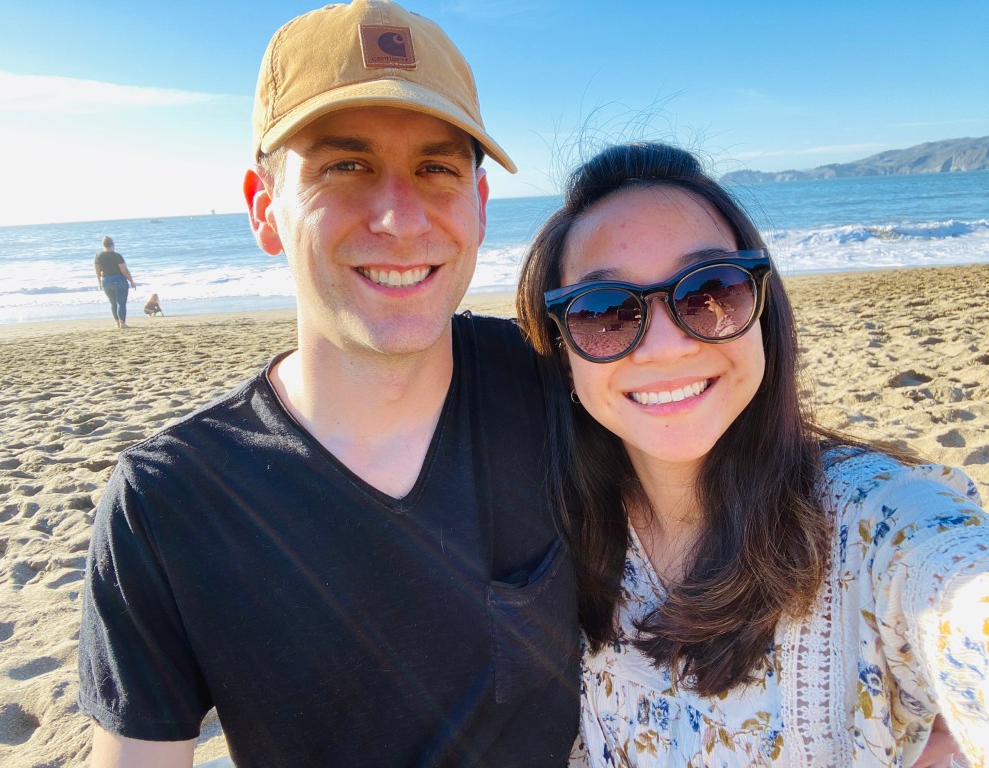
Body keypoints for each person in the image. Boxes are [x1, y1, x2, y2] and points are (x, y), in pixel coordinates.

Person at [78, 2, 578, 767]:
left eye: (437, 168)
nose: (400, 218)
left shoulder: (555, 387)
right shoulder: (168, 502)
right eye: (346, 167)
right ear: (264, 209)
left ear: (478, 207)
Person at [515, 142, 989, 766]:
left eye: (710, 290)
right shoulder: (557, 541)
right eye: (604, 312)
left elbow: (959, 592)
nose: (665, 347)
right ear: (563, 353)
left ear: (763, 313)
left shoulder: (875, 523)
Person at [94, 236, 137, 328]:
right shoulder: (117, 256)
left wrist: (99, 282)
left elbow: (97, 271)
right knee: (121, 303)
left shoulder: (98, 256)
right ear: (112, 245)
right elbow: (124, 270)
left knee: (113, 303)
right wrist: (131, 281)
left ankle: (117, 323)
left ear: (103, 245)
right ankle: (122, 323)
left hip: (106, 280)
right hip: (119, 280)